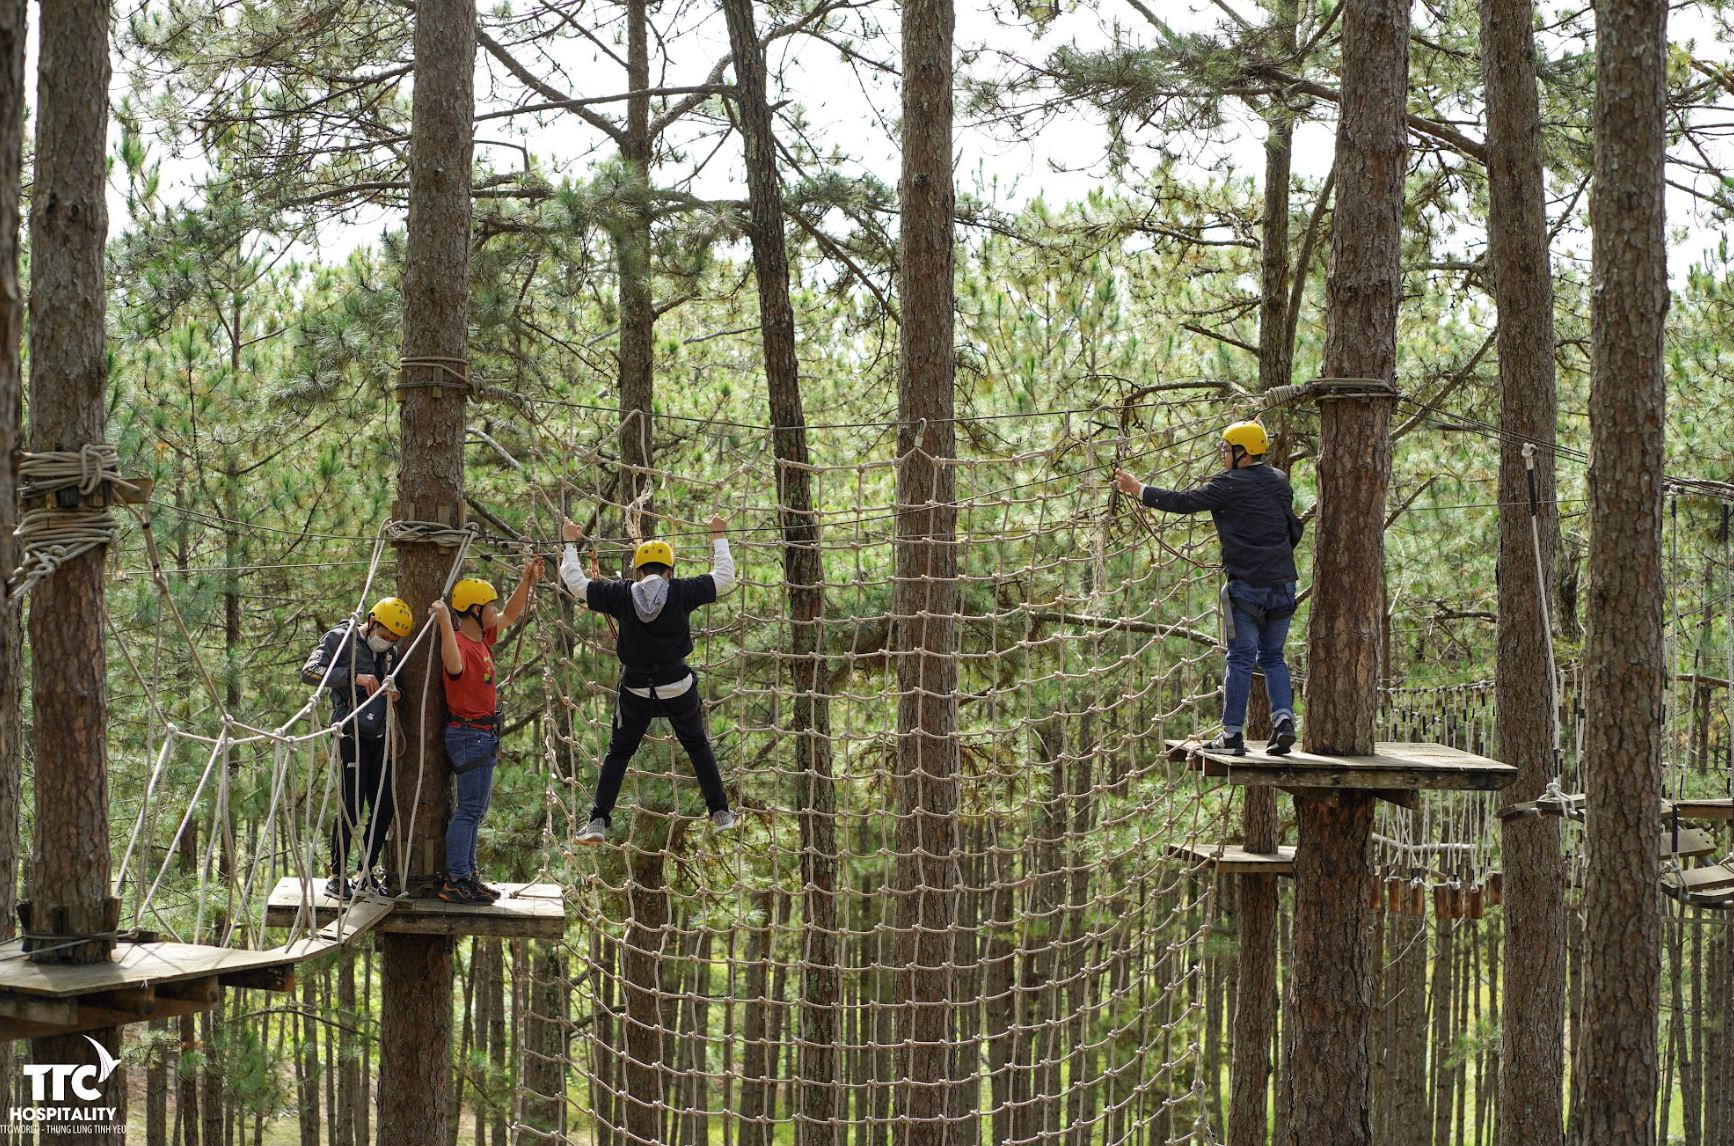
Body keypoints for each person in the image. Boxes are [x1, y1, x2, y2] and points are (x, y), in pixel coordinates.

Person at [1113, 420, 1304, 756]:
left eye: (1227, 449)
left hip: (1246, 586)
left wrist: (1139, 489)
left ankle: (1231, 736)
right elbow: (1294, 529)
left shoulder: (1228, 485)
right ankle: (1284, 721)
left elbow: (1183, 502)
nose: (1223, 455)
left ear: (1243, 453)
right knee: (1273, 656)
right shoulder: (1279, 481)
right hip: (1283, 584)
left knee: (1241, 658)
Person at [559, 515, 738, 844]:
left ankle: (598, 820)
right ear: (669, 571)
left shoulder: (622, 593)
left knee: (619, 753)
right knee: (697, 746)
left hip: (636, 690)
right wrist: (718, 536)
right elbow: (725, 577)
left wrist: (570, 544)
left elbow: (576, 583)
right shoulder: (682, 591)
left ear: (638, 572)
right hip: (677, 686)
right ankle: (720, 812)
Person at [429, 559, 542, 904]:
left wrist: (527, 581)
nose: (494, 611)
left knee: (475, 809)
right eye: (489, 606)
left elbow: (509, 615)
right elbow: (452, 664)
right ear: (475, 611)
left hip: (480, 734)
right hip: (468, 734)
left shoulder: (481, 638)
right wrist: (446, 622)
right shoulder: (461, 645)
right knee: (469, 810)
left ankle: (467, 873)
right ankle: (457, 878)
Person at [301, 597, 412, 899]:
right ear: (373, 622)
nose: (387, 642)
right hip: (351, 733)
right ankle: (337, 876)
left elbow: (398, 684)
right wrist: (352, 678)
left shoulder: (389, 653)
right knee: (351, 805)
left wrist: (396, 694)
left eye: (393, 639)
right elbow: (310, 672)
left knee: (383, 805)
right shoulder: (341, 639)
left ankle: (366, 872)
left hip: (380, 735)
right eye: (385, 635)